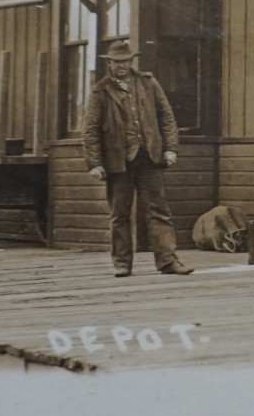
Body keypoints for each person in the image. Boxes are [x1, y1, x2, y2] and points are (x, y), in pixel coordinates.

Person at [80, 40, 191, 278]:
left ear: (132, 61)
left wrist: (170, 149)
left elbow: (167, 118)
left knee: (159, 211)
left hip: (149, 157)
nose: (122, 66)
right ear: (109, 63)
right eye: (117, 62)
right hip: (118, 161)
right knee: (119, 214)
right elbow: (90, 130)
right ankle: (122, 263)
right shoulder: (99, 92)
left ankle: (168, 261)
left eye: (126, 61)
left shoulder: (148, 83)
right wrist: (95, 163)